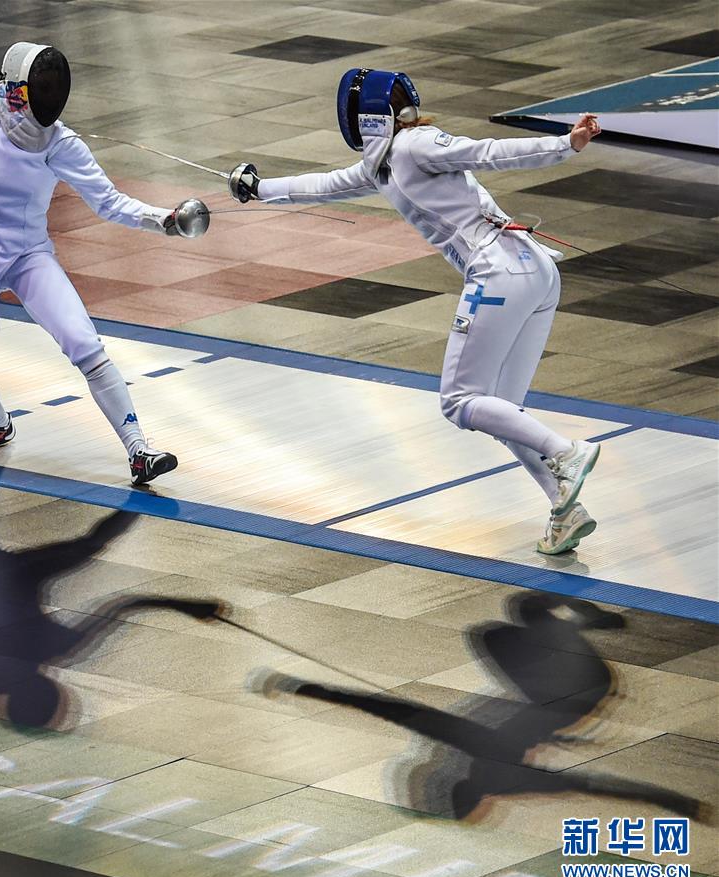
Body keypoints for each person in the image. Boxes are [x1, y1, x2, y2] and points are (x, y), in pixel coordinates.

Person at [228, 68, 603, 554]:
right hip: (534, 271)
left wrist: (565, 145)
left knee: (460, 401)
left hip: (500, 274)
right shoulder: (384, 164)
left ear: (364, 117)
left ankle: (565, 451)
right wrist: (259, 188)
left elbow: (486, 151)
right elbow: (324, 185)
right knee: (501, 410)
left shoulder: (414, 145)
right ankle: (564, 508)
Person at [0, 42, 203, 485]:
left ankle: (139, 450)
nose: (48, 98)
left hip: (28, 257)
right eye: (42, 88)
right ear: (14, 90)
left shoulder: (60, 144)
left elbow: (109, 202)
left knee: (84, 344)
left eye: (52, 89)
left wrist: (164, 220)